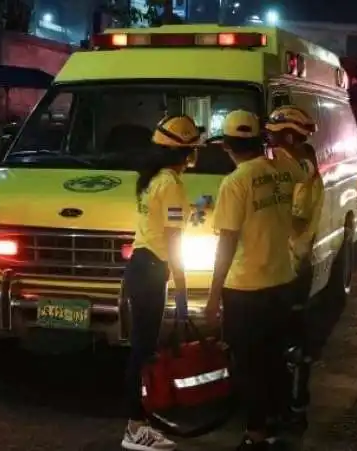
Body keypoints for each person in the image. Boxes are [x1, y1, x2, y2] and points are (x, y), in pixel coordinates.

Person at [206, 109, 306, 450]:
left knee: (248, 364)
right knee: (274, 357)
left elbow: (227, 242)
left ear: (226, 146)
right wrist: (279, 142)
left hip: (246, 288)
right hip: (281, 280)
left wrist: (213, 295)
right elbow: (303, 168)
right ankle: (277, 422)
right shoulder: (281, 168)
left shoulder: (235, 182)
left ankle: (256, 433)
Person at [120, 115, 201, 451]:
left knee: (142, 347)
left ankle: (140, 422)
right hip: (152, 268)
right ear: (185, 153)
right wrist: (181, 283)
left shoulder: (152, 179)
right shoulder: (171, 184)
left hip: (141, 265)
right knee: (142, 350)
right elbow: (172, 239)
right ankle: (135, 428)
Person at [265, 105, 324, 429]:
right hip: (290, 264)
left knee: (287, 343)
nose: (269, 143)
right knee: (290, 338)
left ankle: (289, 408)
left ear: (289, 136)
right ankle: (292, 405)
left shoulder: (300, 172)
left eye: (273, 137)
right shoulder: (298, 167)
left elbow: (298, 217)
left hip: (291, 267)